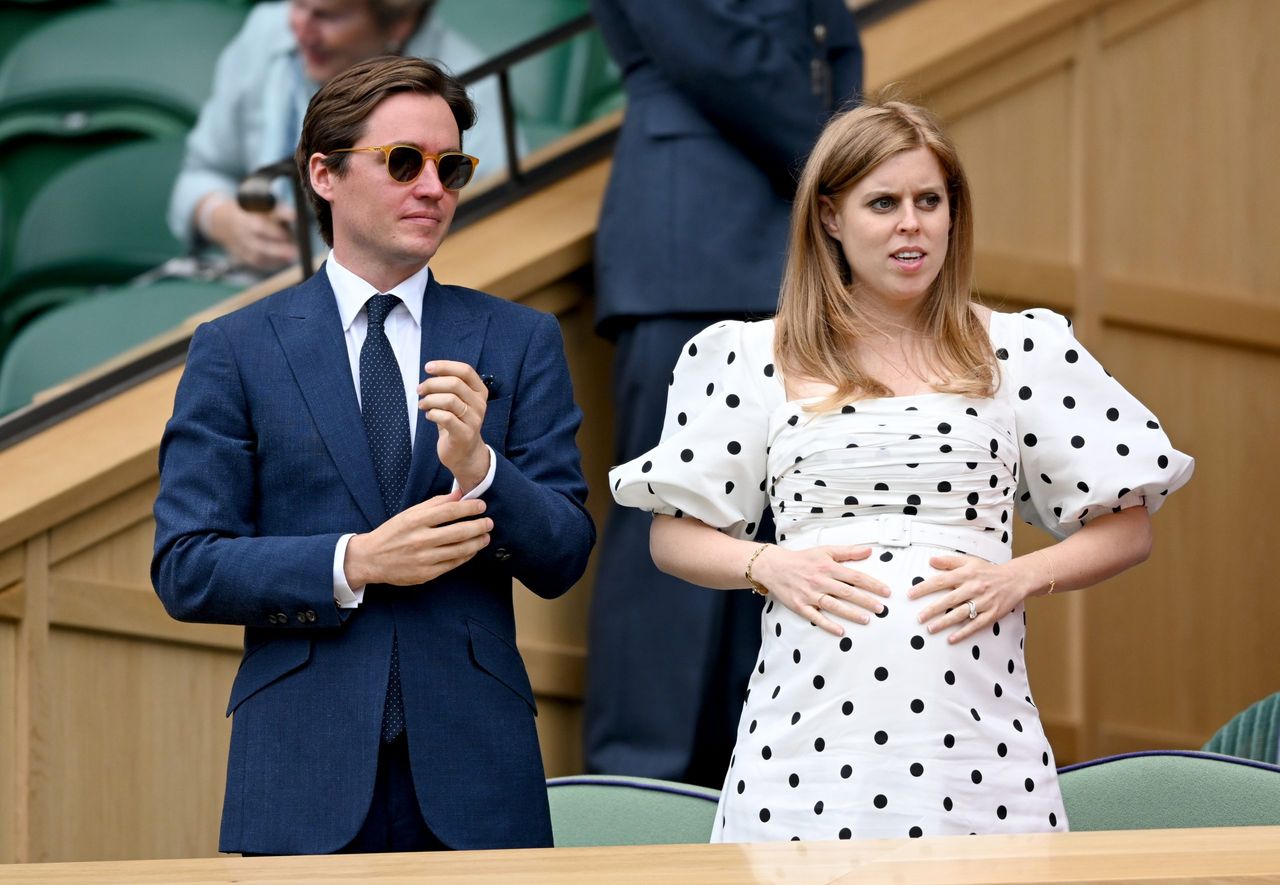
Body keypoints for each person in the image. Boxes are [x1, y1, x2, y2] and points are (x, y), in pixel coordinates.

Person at [609, 97, 1194, 841]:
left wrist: (1019, 576)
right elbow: (673, 537)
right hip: (802, 746)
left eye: (929, 201)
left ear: (955, 213)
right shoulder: (751, 354)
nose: (910, 224)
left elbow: (1128, 525)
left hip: (976, 741)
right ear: (829, 216)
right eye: (882, 203)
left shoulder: (1023, 348)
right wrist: (768, 564)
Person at [152, 56, 594, 855]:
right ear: (323, 173)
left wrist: (482, 470)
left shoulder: (520, 338)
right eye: (403, 162)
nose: (433, 186)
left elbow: (564, 554)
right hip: (299, 768)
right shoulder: (236, 348)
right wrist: (353, 561)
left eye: (450, 166)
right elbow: (186, 564)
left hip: (478, 772)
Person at [584, 0, 863, 789]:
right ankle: (637, 795)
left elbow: (833, 36)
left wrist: (846, 156)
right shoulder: (831, 158)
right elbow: (717, 50)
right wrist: (850, 160)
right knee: (670, 531)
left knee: (784, 531)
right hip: (693, 240)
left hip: (800, 255)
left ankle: (752, 780)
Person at [169, 0, 505, 275]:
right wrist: (222, 218)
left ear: (398, 23)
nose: (299, 28)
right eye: (297, 5)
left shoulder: (467, 91)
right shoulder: (266, 32)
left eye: (327, 16)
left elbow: (481, 241)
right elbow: (198, 176)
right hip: (244, 287)